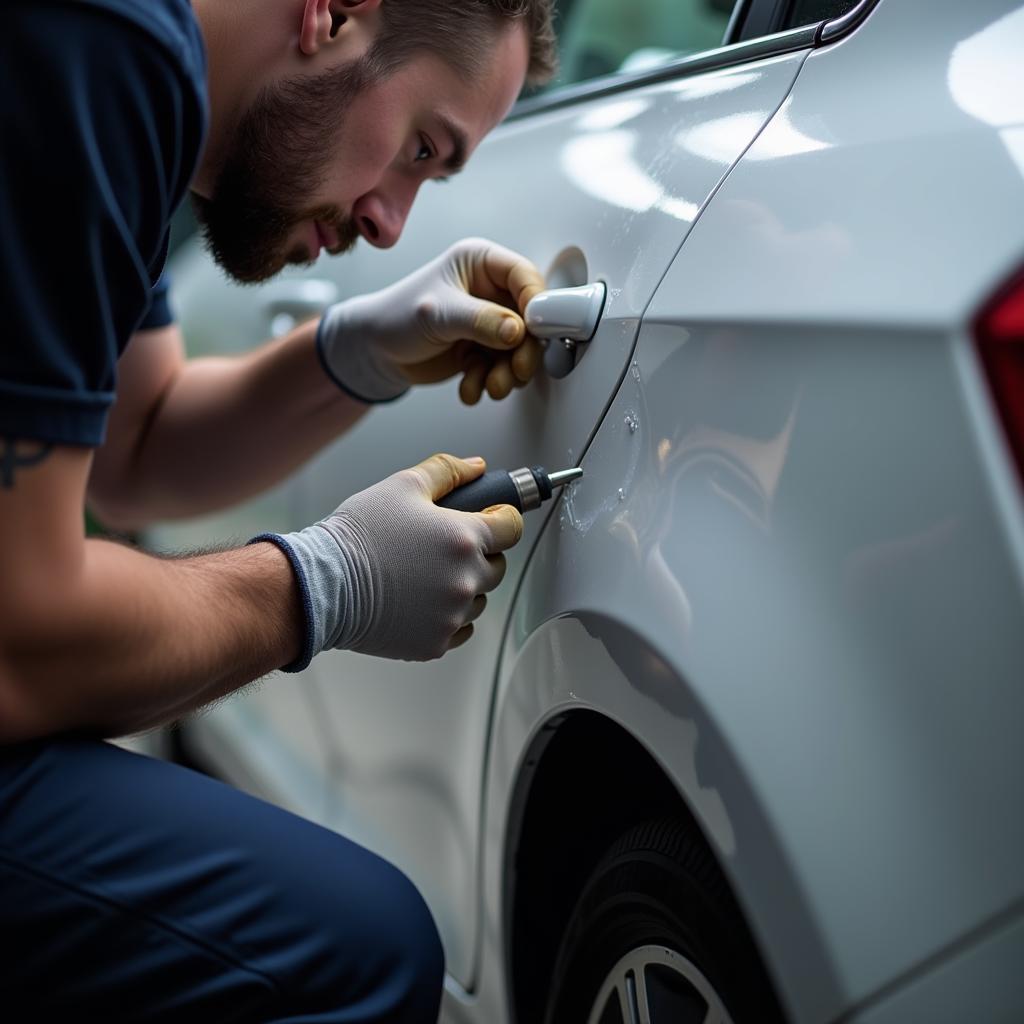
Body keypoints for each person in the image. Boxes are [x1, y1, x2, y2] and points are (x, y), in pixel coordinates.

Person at [0, 0, 556, 1018]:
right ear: (332, 12)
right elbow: (19, 643)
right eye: (421, 147)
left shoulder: (141, 88)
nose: (390, 220)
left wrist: (358, 355)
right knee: (356, 946)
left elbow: (136, 443)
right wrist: (324, 582)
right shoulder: (101, 51)